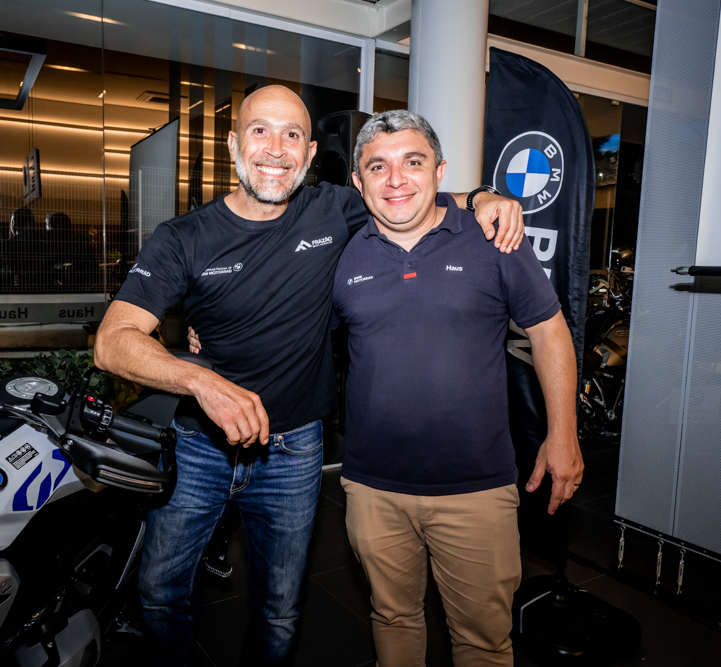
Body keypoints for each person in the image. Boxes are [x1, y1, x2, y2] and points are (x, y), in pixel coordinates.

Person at [93, 85, 524, 666]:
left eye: (291, 134)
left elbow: (408, 189)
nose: (276, 149)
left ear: (311, 152)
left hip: (293, 451)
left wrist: (483, 196)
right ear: (233, 145)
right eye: (260, 131)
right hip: (200, 445)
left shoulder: (334, 208)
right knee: (160, 592)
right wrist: (201, 381)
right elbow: (113, 342)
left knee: (280, 607)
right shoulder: (183, 238)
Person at [332, 110, 584, 667]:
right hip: (373, 489)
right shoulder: (345, 256)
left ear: (440, 171)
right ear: (359, 181)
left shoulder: (493, 239)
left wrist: (563, 434)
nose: (396, 179)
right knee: (392, 619)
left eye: (413, 162)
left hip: (476, 490)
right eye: (378, 166)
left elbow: (549, 332)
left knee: (482, 642)